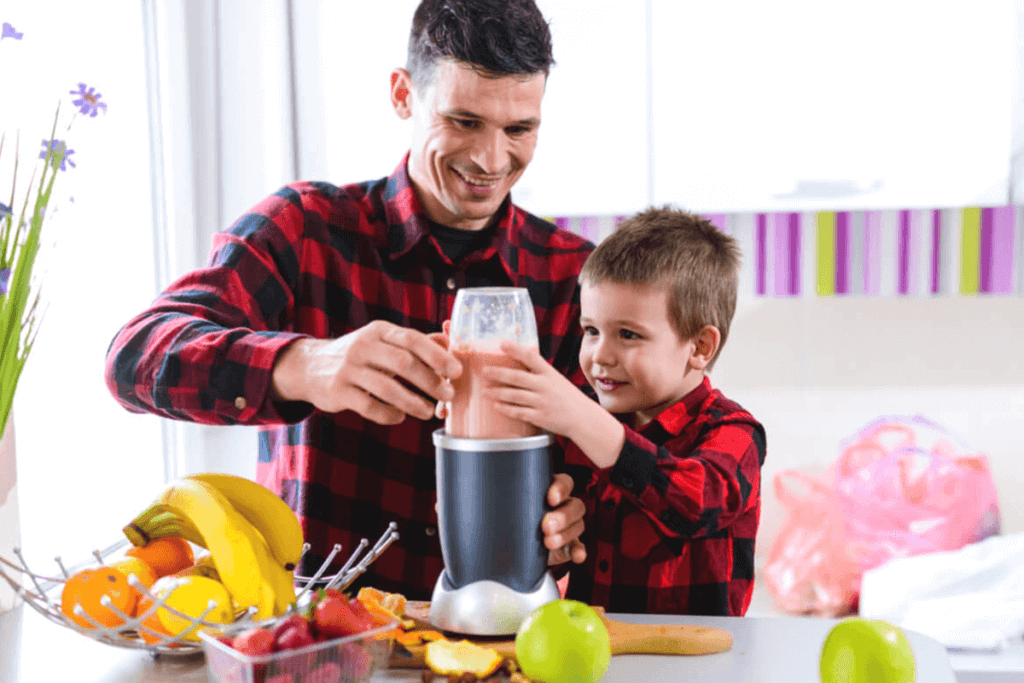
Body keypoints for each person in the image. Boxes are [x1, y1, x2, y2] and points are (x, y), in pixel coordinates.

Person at [104, 0, 591, 598]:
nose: (491, 160)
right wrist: (303, 365)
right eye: (463, 121)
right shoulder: (304, 229)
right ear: (403, 95)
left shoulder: (573, 275)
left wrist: (574, 512)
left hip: (507, 642)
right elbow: (134, 359)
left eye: (519, 129)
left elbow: (614, 463)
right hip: (320, 637)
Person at [482, 208, 767, 616]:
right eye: (591, 330)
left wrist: (585, 421)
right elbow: (560, 549)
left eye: (628, 335)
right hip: (588, 653)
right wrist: (549, 538)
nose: (600, 355)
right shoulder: (585, 429)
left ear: (701, 346)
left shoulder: (733, 431)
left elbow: (694, 505)